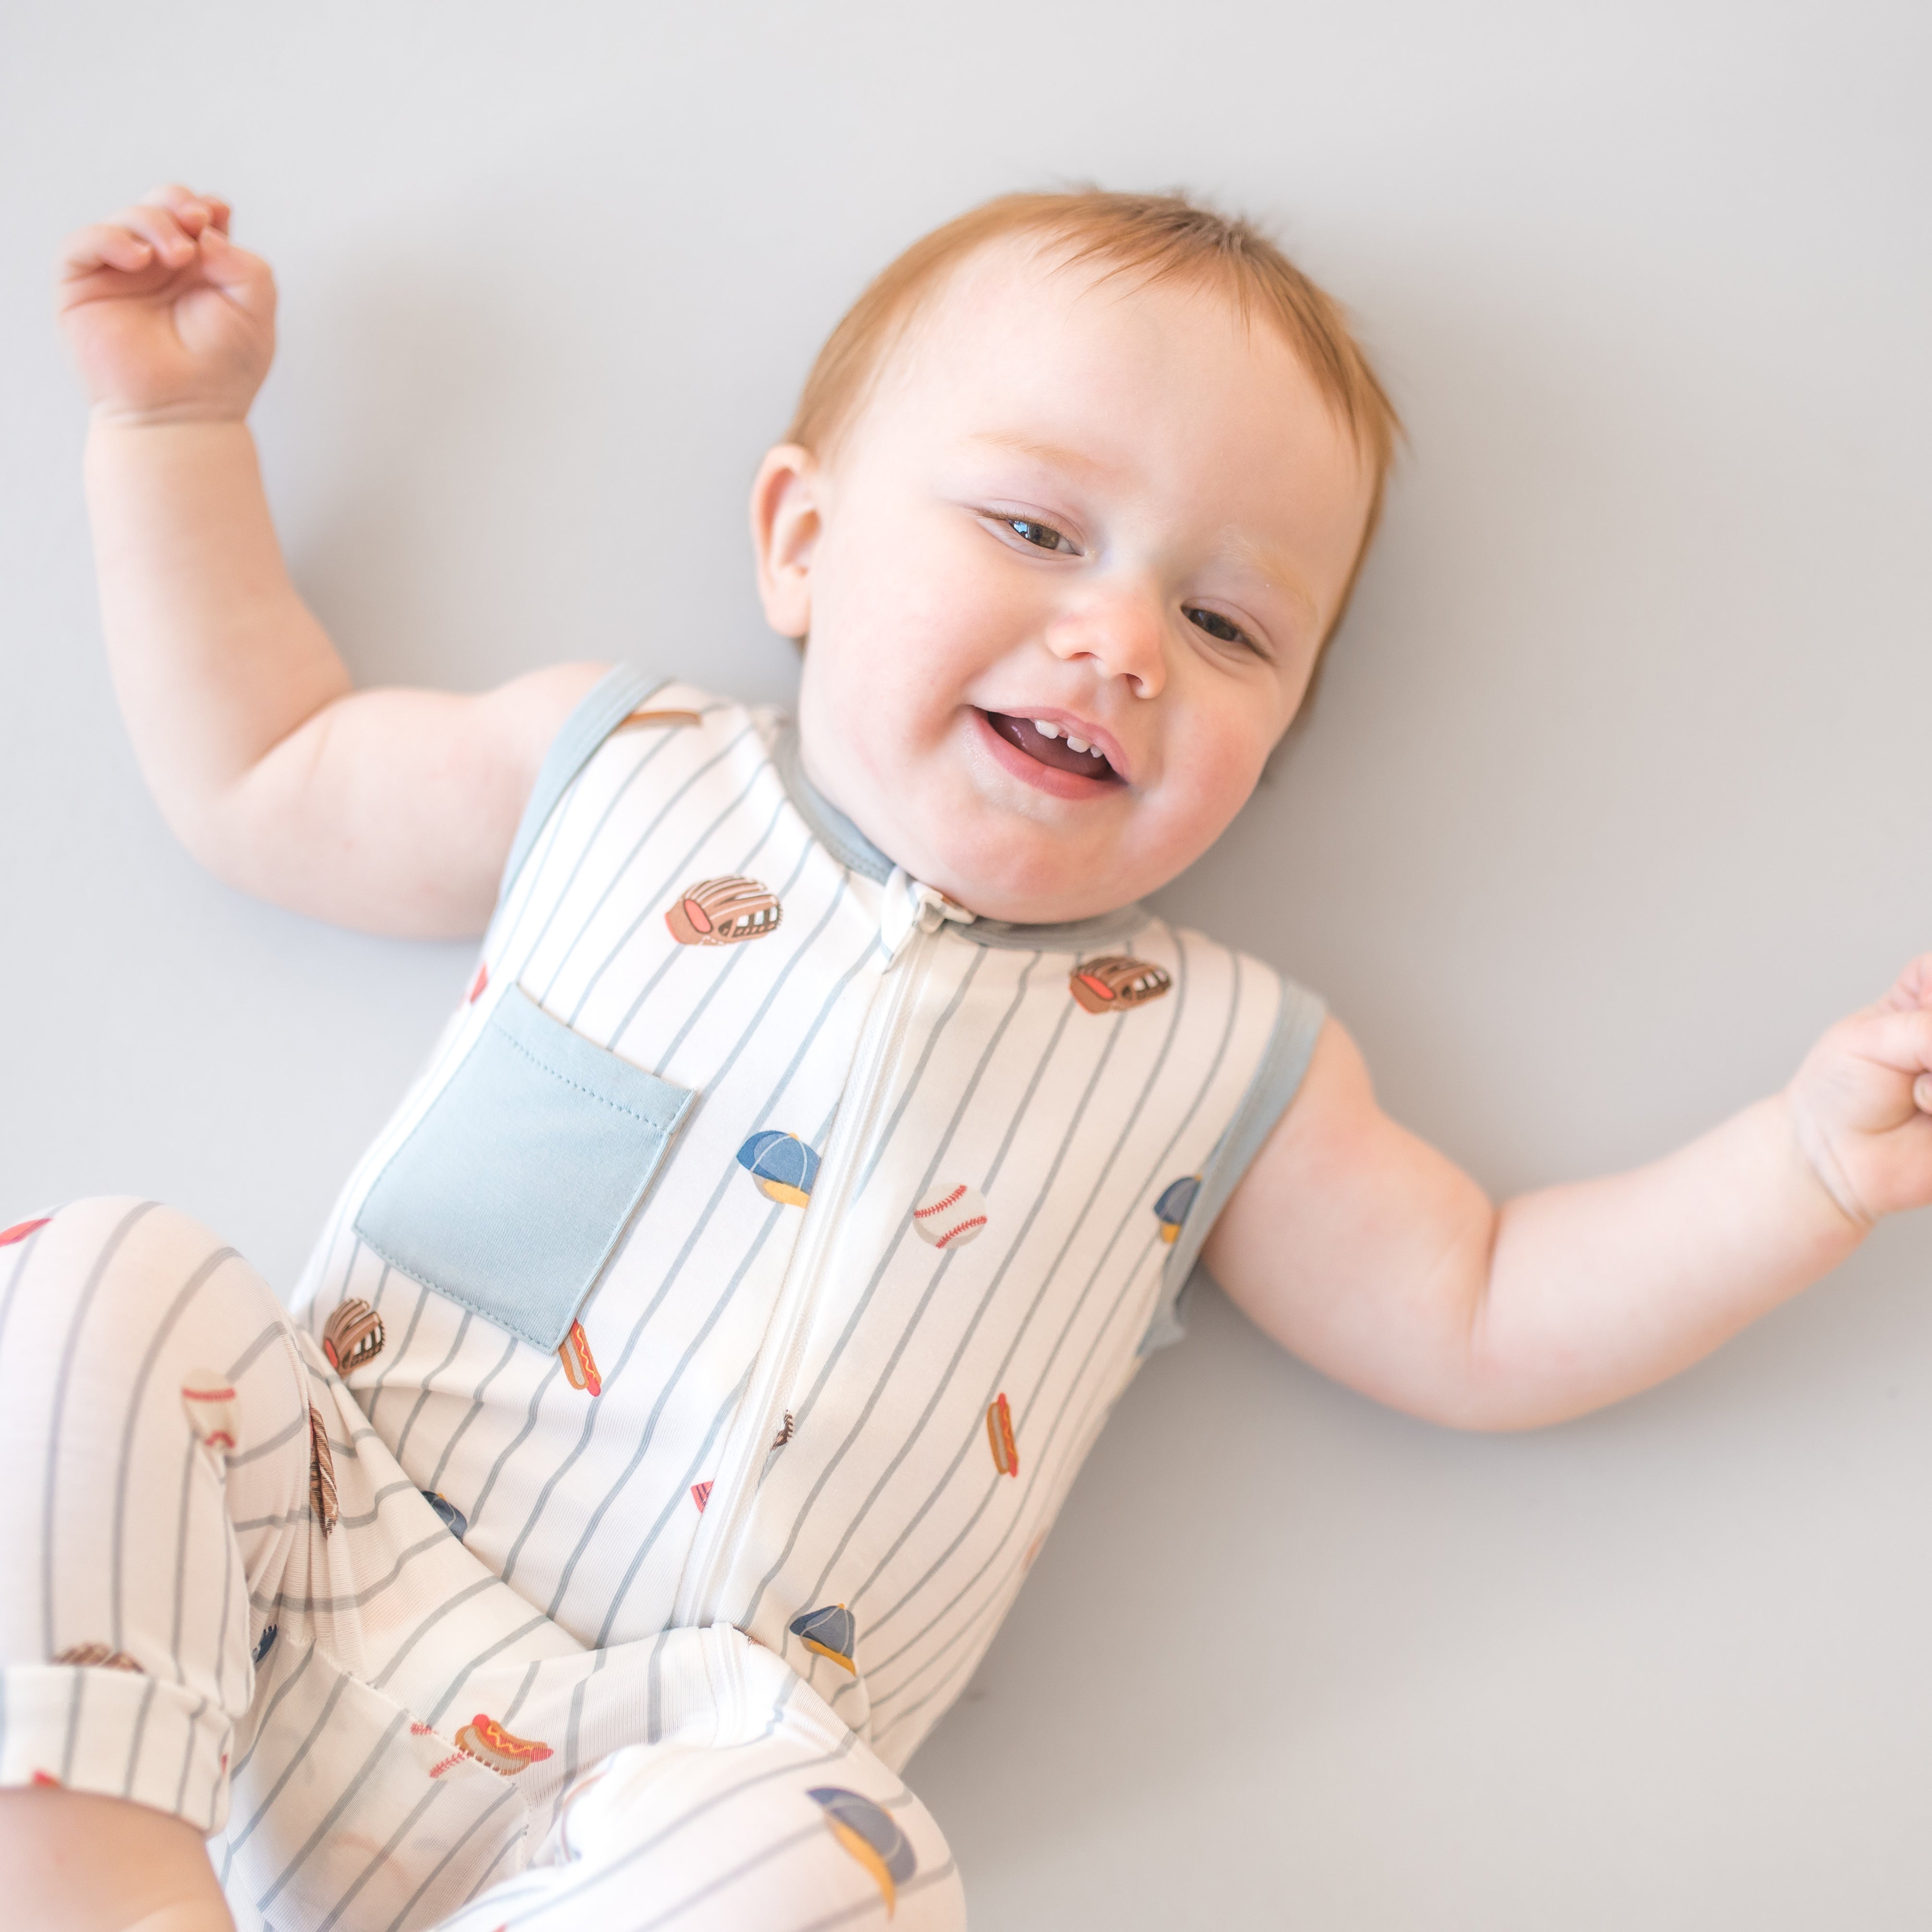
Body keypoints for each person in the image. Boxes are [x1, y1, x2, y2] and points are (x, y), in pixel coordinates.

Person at [4, 181, 1928, 1932]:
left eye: (1228, 621)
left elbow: (1482, 1309)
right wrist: (172, 436)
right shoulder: (621, 772)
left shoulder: (1219, 1054)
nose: (1118, 643)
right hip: (291, 1593)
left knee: (845, 1856)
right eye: (1032, 529)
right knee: (92, 1277)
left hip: (660, 1793)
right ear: (802, 541)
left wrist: (1807, 1165)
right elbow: (263, 769)